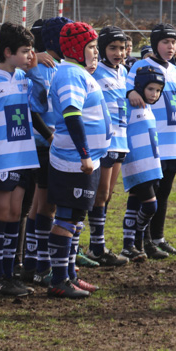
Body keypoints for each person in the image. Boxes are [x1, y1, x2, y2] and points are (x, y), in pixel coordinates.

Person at [47, 22, 111, 298]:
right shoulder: (70, 75)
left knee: (76, 218)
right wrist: (85, 154)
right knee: (66, 218)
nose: (96, 53)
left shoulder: (78, 72)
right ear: (76, 49)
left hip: (87, 160)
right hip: (74, 160)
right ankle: (58, 280)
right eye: (92, 48)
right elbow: (72, 116)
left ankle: (70, 274)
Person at [0, 23, 42, 297]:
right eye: (25, 51)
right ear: (7, 52)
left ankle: (8, 273)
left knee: (15, 214)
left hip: (23, 155)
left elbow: (42, 92)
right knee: (0, 213)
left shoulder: (23, 77)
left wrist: (35, 64)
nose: (30, 56)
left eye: (32, 51)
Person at [127, 24, 176, 259]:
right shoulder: (140, 66)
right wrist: (130, 93)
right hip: (151, 143)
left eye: (174, 43)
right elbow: (126, 90)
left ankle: (158, 238)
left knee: (164, 193)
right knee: (148, 194)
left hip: (173, 143)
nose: (171, 47)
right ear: (156, 43)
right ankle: (140, 242)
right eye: (166, 42)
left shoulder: (175, 70)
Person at [21, 16, 68, 286]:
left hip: (52, 143)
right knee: (46, 205)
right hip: (45, 144)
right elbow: (32, 109)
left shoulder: (59, 66)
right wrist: (50, 135)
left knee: (41, 203)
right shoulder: (38, 66)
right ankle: (39, 264)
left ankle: (32, 262)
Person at [86, 26, 130, 266]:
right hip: (104, 142)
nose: (119, 52)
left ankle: (97, 245)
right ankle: (96, 247)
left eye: (122, 48)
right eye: (113, 48)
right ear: (102, 49)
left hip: (121, 140)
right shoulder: (94, 72)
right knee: (99, 194)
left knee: (107, 195)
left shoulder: (123, 72)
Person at [120, 65, 165, 261]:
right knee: (150, 207)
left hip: (152, 165)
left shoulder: (148, 108)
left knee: (134, 205)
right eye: (150, 89)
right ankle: (138, 236)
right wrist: (129, 92)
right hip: (137, 165)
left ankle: (129, 246)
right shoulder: (128, 104)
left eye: (157, 90)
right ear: (139, 87)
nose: (154, 94)